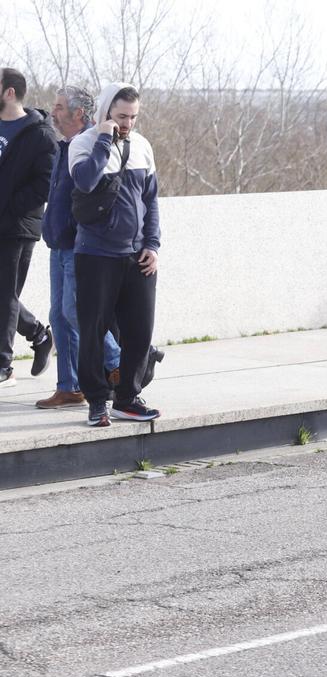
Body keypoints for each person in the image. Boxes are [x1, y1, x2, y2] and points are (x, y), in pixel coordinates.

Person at [70, 82, 161, 426]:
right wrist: (105, 139)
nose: (128, 123)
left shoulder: (142, 146)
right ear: (106, 111)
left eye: (133, 117)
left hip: (136, 255)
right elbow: (85, 181)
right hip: (95, 254)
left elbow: (150, 200)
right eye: (122, 116)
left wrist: (152, 244)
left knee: (139, 330)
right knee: (92, 330)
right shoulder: (83, 143)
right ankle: (96, 401)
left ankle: (128, 397)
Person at [35, 86, 124, 409]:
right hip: (58, 244)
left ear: (79, 114)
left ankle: (118, 362)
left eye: (59, 107)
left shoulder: (88, 145)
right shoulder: (63, 146)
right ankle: (69, 387)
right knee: (58, 316)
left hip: (78, 245)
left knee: (75, 312)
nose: (53, 112)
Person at [0, 67, 56, 387]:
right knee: (2, 292)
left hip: (17, 225)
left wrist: (9, 206)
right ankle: (38, 334)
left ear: (9, 92)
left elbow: (45, 183)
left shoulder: (40, 133)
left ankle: (4, 366)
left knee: (5, 292)